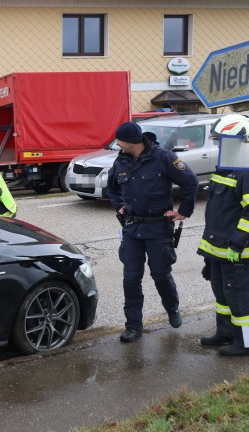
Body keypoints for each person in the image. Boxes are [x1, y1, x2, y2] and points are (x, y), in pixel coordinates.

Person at [106, 121, 198, 343]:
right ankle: (133, 326)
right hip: (132, 229)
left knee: (160, 275)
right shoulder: (121, 160)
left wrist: (183, 211)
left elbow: (190, 182)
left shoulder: (162, 157)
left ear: (131, 141)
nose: (117, 144)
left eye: (119, 140)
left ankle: (173, 310)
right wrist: (118, 205)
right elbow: (112, 187)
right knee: (131, 279)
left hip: (158, 228)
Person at [198, 114, 249, 356]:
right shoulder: (227, 169)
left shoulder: (246, 172)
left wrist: (238, 244)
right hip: (218, 249)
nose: (219, 147)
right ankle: (225, 333)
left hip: (237, 252)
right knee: (222, 295)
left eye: (223, 142)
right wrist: (209, 254)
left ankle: (246, 343)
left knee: (240, 299)